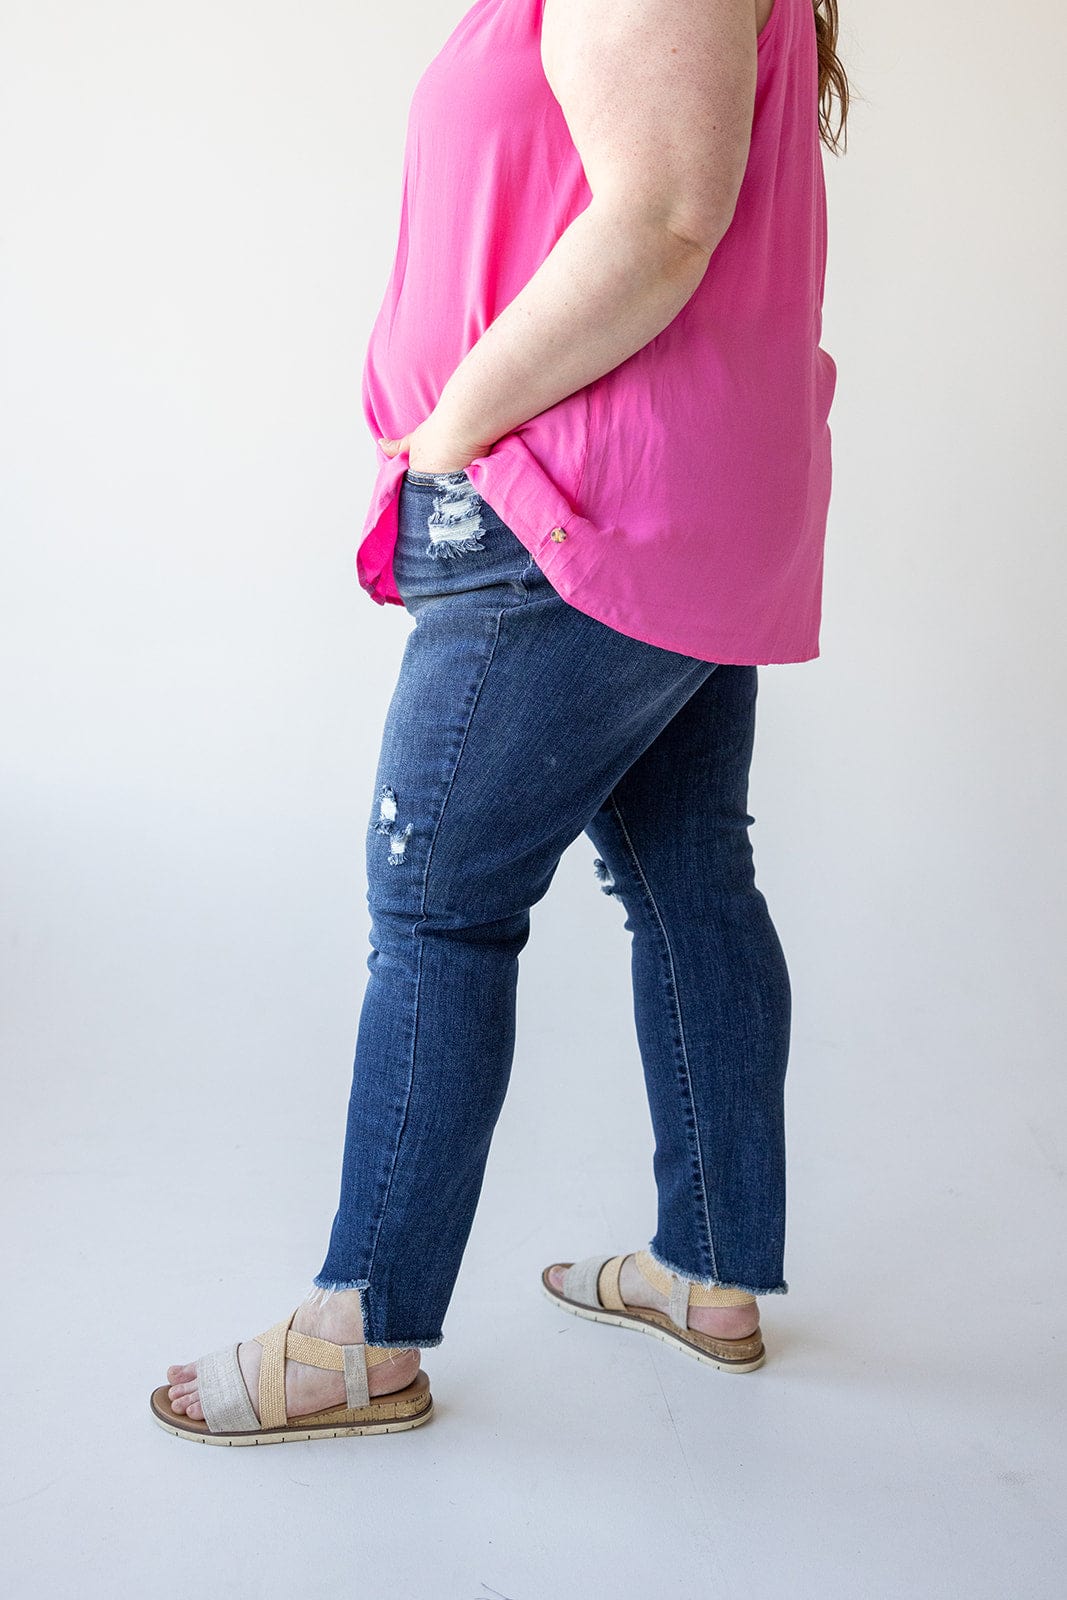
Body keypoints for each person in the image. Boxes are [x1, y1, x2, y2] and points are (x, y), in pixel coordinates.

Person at [150, 0, 850, 1445]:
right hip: (668, 500)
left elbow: (660, 220)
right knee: (690, 880)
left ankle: (363, 1334)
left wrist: (457, 419)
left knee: (438, 909)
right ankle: (710, 1268)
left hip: (575, 508)